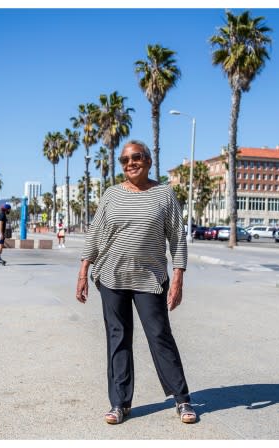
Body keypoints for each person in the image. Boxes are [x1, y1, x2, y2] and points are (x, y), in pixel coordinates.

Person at [75, 140, 195, 425]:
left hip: (149, 278)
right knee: (118, 339)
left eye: (136, 157)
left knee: (160, 336)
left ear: (149, 161)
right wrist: (83, 271)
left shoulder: (164, 194)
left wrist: (178, 277)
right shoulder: (111, 194)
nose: (130, 163)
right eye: (125, 159)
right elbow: (95, 233)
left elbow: (177, 237)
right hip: (111, 276)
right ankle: (119, 403)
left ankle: (182, 399)